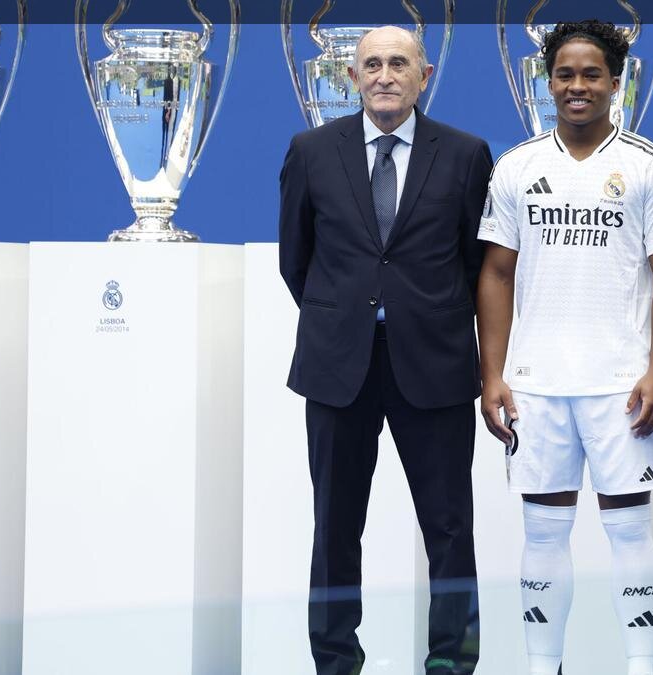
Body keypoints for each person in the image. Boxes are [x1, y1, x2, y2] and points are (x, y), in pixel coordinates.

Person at [278, 25, 493, 675]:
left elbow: (478, 263)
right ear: (353, 77)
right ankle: (335, 660)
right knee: (335, 526)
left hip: (434, 362)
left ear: (424, 77)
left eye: (399, 63)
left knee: (449, 527)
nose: (384, 75)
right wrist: (347, 315)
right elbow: (296, 260)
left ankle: (452, 661)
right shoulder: (312, 151)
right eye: (371, 64)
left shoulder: (466, 154)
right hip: (339, 363)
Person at [475, 20, 653, 675]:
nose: (577, 86)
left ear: (616, 83)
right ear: (548, 82)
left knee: (630, 530)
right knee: (542, 532)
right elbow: (496, 273)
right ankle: (544, 665)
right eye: (565, 74)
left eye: (592, 74)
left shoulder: (648, 163)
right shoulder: (516, 166)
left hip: (621, 384)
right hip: (536, 383)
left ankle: (641, 666)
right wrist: (492, 374)